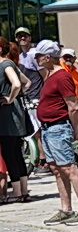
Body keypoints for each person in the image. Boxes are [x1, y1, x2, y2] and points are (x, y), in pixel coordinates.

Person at [33, 41, 78, 224]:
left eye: (38, 55)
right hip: (48, 128)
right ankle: (66, 209)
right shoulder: (50, 75)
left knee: (69, 168)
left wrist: (75, 130)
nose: (36, 58)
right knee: (57, 170)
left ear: (48, 57)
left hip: (58, 127)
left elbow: (73, 106)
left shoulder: (62, 76)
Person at [0, 42, 29, 203]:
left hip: (8, 115)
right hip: (13, 114)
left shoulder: (5, 64)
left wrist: (10, 98)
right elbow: (26, 83)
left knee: (10, 153)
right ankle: (23, 191)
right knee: (16, 153)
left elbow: (17, 84)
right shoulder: (9, 64)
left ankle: (18, 193)